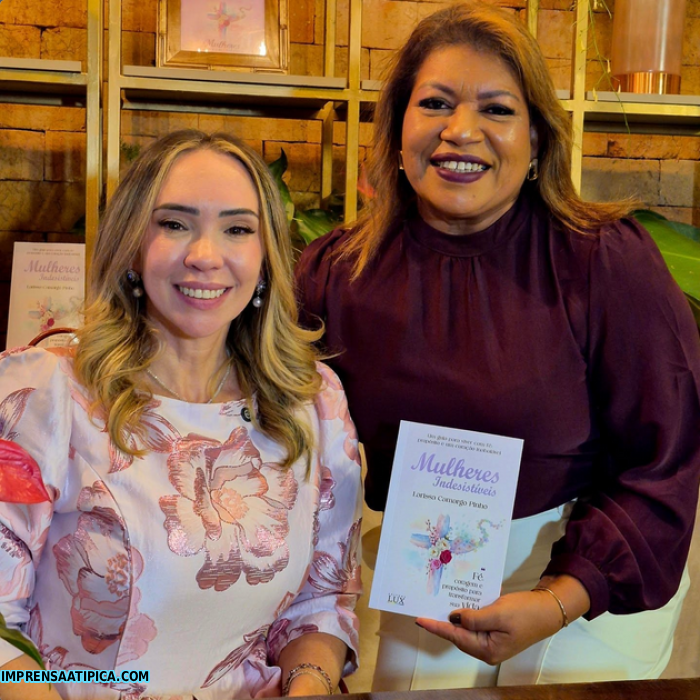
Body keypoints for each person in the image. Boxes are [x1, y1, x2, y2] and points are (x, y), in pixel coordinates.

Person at [295, 1, 700, 691]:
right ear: (397, 131)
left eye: (497, 109)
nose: (461, 131)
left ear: (537, 139)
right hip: (425, 573)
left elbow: (664, 460)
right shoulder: (339, 273)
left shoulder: (607, 262)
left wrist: (561, 597)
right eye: (435, 103)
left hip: (587, 585)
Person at [0, 130, 363, 700]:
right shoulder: (45, 393)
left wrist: (309, 683)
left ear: (265, 258)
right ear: (131, 246)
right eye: (174, 224)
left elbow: (322, 602)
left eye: (238, 229)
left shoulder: (312, 401)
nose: (205, 255)